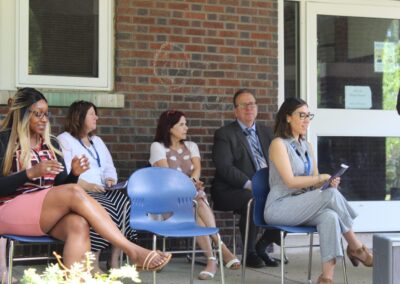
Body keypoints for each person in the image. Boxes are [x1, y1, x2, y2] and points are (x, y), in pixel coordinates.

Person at [0, 88, 171, 271]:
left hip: (43, 214)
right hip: (9, 211)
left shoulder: (51, 144)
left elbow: (60, 188)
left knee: (79, 224)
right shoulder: (4, 140)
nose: (44, 119)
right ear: (22, 114)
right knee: (75, 191)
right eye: (37, 114)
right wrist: (29, 173)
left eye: (46, 114)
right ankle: (132, 250)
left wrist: (74, 174)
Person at [264, 97, 373, 284]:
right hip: (280, 206)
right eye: (302, 115)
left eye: (308, 115)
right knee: (330, 196)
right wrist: (320, 179)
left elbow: (314, 184)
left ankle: (326, 278)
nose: (306, 120)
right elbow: (290, 182)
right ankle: (355, 246)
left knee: (330, 215)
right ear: (288, 117)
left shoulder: (307, 146)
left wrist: (328, 183)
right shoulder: (278, 144)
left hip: (304, 204)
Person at [149, 110, 241, 280]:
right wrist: (188, 185)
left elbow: (197, 169)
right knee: (194, 203)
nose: (186, 128)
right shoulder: (158, 147)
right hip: (167, 201)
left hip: (191, 195)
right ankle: (221, 249)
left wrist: (191, 182)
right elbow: (167, 174)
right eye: (181, 124)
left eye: (186, 123)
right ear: (169, 128)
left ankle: (211, 260)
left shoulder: (191, 146)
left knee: (195, 201)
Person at [57, 100, 136, 272]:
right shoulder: (64, 140)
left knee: (126, 204)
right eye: (92, 114)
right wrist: (88, 185)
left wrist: (110, 179)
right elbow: (66, 173)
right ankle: (93, 261)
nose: (96, 117)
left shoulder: (97, 141)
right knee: (103, 207)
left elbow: (109, 165)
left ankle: (114, 259)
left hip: (102, 188)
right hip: (80, 191)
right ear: (79, 117)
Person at [211, 89, 281, 268]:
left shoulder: (267, 133)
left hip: (266, 186)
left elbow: (277, 162)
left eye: (252, 104)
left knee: (289, 199)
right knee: (254, 200)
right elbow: (225, 167)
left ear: (256, 108)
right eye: (243, 105)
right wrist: (252, 185)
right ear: (235, 111)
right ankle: (249, 254)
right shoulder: (224, 134)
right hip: (232, 190)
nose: (249, 108)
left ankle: (262, 246)